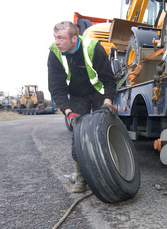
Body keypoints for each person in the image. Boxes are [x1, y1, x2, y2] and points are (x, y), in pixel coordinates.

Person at [48, 21, 117, 193]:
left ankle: (114, 172)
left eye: (61, 38)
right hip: (77, 94)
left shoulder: (93, 47)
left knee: (106, 127)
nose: (56, 42)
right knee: (78, 133)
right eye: (55, 37)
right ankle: (81, 178)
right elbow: (56, 88)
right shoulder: (55, 53)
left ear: (73, 38)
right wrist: (68, 112)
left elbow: (109, 79)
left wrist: (108, 101)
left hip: (98, 90)